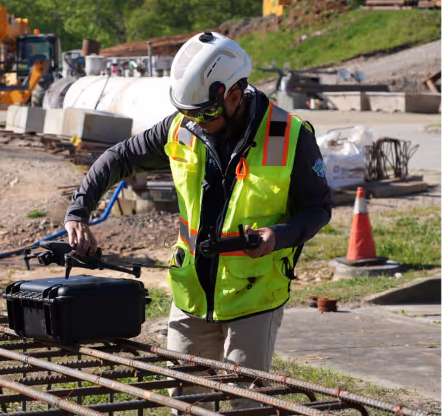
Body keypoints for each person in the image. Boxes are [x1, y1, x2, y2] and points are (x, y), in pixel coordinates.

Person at [64, 31, 331, 409]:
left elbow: (318, 208)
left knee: (247, 405)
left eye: (203, 114)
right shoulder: (183, 126)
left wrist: (279, 235)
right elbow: (119, 158)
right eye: (187, 113)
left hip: (254, 298)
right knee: (185, 401)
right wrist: (79, 210)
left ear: (234, 96)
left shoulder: (291, 137)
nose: (194, 123)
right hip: (191, 297)